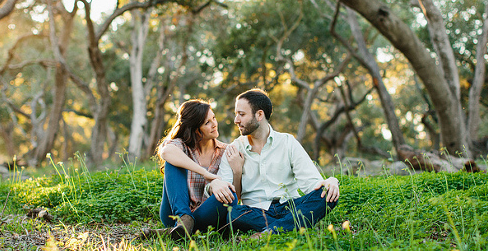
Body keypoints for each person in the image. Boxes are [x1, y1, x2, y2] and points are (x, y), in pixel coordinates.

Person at [214, 89, 341, 234]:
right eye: (236, 114)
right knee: (233, 213)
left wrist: (330, 181)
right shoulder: (233, 150)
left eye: (241, 114)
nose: (236, 120)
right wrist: (232, 174)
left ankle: (269, 232)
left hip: (289, 206)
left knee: (327, 196)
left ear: (259, 115)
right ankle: (292, 224)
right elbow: (227, 196)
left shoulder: (287, 142)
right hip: (255, 212)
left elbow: (312, 184)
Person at [141, 99, 237, 239]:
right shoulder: (181, 146)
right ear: (194, 129)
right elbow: (166, 152)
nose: (214, 124)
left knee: (230, 195)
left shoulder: (225, 151)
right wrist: (205, 174)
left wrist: (218, 183)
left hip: (204, 214)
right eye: (207, 123)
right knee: (172, 162)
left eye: (214, 118)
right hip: (173, 214)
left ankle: (174, 232)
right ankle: (184, 220)